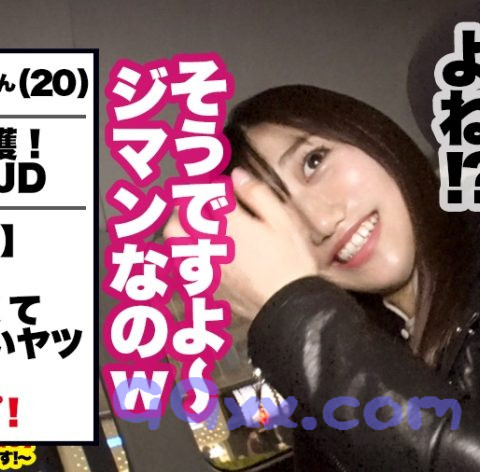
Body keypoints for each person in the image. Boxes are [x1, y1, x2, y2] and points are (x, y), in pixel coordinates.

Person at [164, 84, 480, 470]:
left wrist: (296, 318)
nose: (321, 222)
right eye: (284, 218)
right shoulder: (349, 364)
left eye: (313, 161)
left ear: (368, 131)